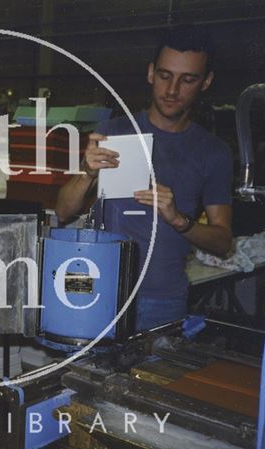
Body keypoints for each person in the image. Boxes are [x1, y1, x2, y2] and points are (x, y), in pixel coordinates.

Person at [56, 24, 233, 331]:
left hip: (162, 300)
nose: (172, 90)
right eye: (165, 76)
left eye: (187, 79)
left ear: (206, 82)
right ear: (151, 73)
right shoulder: (113, 132)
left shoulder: (213, 152)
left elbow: (222, 242)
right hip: (100, 290)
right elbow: (62, 211)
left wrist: (179, 220)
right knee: (87, 377)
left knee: (152, 379)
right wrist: (86, 174)